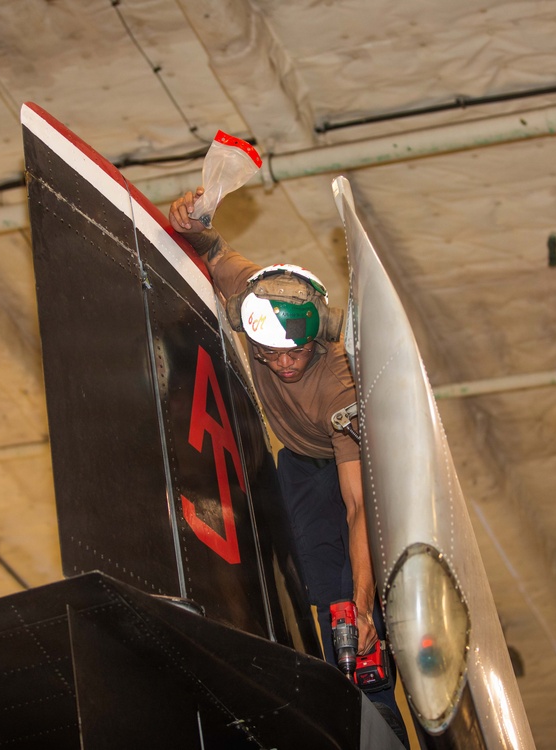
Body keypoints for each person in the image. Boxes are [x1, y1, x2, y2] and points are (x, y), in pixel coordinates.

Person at [169, 188, 408, 746]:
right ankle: (342, 691)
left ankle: (378, 701)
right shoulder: (256, 302)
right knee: (322, 593)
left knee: (356, 605)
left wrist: (364, 602)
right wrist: (189, 219)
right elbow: (212, 250)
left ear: (316, 339)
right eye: (268, 353)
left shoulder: (339, 385)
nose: (281, 364)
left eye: (293, 353)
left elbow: (356, 505)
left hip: (352, 468)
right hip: (298, 464)